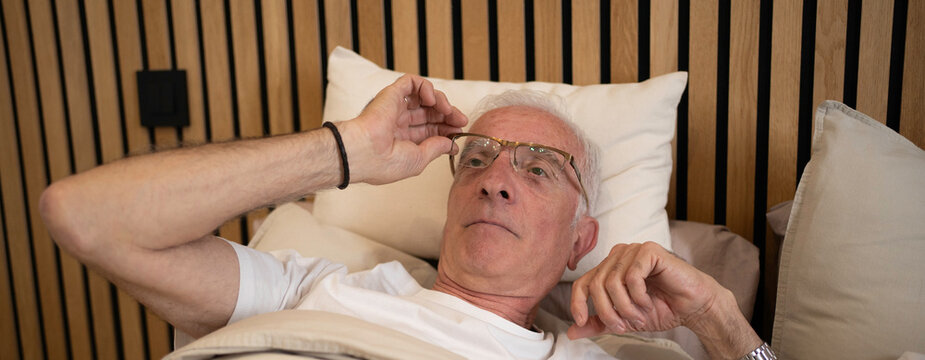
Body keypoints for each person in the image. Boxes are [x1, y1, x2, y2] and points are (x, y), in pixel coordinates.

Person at [40, 75, 770, 359]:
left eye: (539, 169)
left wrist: (718, 317)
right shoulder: (321, 289)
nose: (495, 182)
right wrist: (344, 150)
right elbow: (80, 216)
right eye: (477, 158)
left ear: (583, 239)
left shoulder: (610, 359)